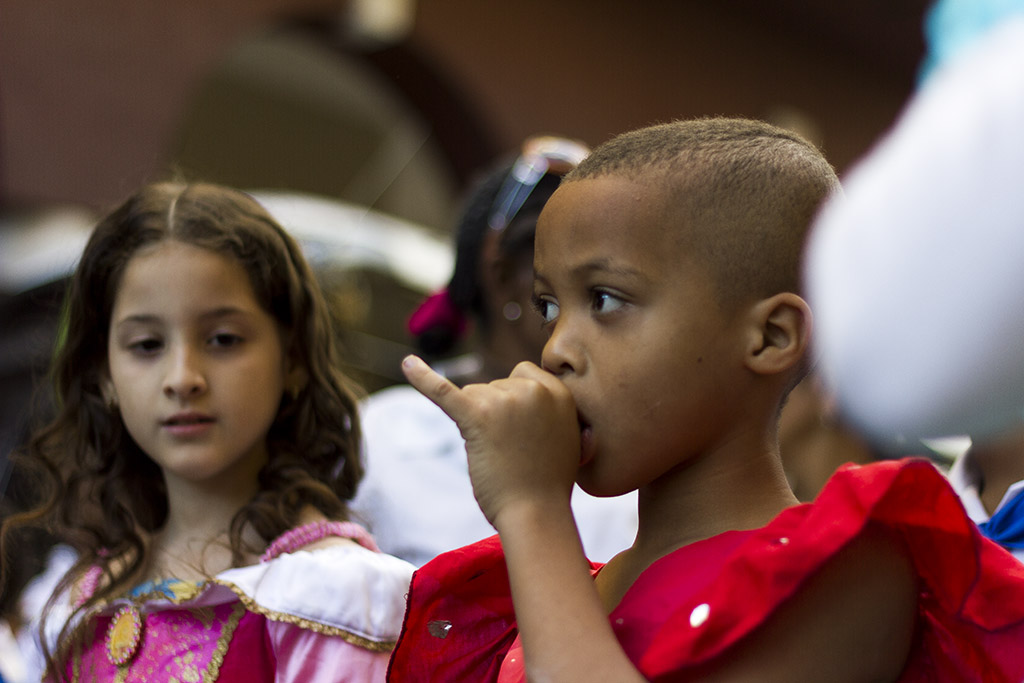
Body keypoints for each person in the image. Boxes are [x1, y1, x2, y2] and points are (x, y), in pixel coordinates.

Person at [386, 118, 1024, 681]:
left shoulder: (843, 571)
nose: (555, 350)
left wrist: (532, 511)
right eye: (551, 306)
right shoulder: (568, 584)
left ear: (771, 337)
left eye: (605, 300)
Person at [0, 182, 414, 682]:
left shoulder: (334, 595)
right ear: (103, 375)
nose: (182, 378)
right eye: (147, 345)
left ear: (293, 359)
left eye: (222, 339)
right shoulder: (81, 595)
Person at [350, 136, 637, 566]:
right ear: (501, 275)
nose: (609, 294)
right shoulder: (382, 435)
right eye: (575, 263)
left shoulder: (640, 449)